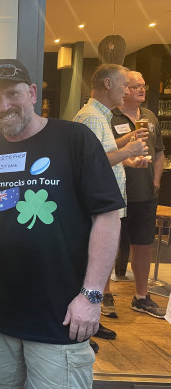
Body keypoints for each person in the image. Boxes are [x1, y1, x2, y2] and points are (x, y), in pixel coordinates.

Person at [0, 58, 125, 388]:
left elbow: (108, 216)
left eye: (12, 94)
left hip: (63, 316)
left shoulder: (74, 139)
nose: (3, 106)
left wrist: (92, 295)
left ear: (32, 92)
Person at [73, 64, 148, 332]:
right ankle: (86, 320)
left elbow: (101, 153)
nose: (127, 91)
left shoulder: (98, 115)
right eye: (124, 85)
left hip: (102, 205)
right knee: (93, 261)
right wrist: (130, 149)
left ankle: (91, 319)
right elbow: (91, 164)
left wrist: (127, 143)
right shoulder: (93, 117)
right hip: (98, 206)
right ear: (107, 84)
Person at [110, 70, 166, 319]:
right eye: (135, 86)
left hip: (145, 195)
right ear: (124, 89)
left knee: (143, 245)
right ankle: (104, 295)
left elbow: (159, 152)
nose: (142, 90)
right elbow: (103, 153)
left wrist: (155, 181)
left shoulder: (150, 116)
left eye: (144, 86)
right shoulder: (110, 116)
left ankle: (141, 296)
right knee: (108, 245)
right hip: (116, 194)